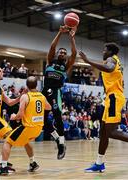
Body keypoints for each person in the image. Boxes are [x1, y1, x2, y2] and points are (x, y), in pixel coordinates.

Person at [79, 42, 128, 172]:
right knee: (103, 132)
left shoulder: (111, 59)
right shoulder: (117, 61)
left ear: (110, 52)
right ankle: (99, 163)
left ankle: (99, 163)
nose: (103, 52)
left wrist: (87, 61)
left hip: (114, 97)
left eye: (104, 50)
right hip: (111, 98)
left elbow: (109, 68)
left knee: (111, 132)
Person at [0, 76, 51, 175]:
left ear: (27, 85)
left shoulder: (25, 97)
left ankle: (3, 166)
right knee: (26, 142)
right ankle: (33, 163)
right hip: (38, 128)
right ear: (36, 85)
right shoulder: (42, 96)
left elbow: (20, 115)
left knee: (7, 142)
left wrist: (13, 117)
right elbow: (49, 107)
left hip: (28, 127)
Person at [42, 25, 77, 159]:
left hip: (56, 92)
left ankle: (62, 144)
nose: (62, 53)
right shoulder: (50, 62)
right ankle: (56, 138)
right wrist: (59, 33)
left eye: (64, 52)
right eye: (60, 52)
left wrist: (72, 38)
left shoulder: (66, 66)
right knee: (43, 122)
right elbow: (52, 48)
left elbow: (74, 54)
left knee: (57, 118)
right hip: (44, 92)